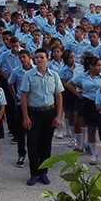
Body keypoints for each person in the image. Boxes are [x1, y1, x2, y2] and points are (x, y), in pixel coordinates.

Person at [19, 48, 63, 186]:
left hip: (49, 112)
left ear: (47, 59)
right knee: (32, 143)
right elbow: (24, 96)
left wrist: (58, 115)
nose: (39, 60)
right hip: (34, 112)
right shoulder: (29, 75)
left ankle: (44, 172)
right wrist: (25, 117)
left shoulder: (54, 75)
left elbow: (58, 95)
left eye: (42, 57)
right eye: (37, 57)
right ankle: (34, 173)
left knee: (46, 144)